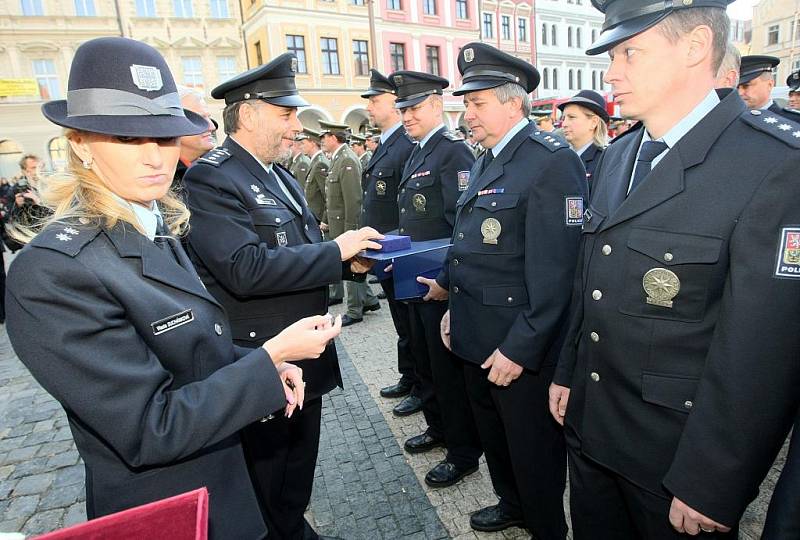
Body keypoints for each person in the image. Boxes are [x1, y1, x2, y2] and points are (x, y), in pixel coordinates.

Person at [5, 36, 342, 540]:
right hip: (171, 508)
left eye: (163, 138)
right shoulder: (54, 270)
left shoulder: (151, 223)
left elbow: (195, 350)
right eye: (126, 140)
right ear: (79, 144)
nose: (153, 157)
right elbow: (149, 428)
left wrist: (265, 364)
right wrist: (266, 359)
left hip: (224, 480)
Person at [548, 1, 800, 538]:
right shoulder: (621, 155)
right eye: (612, 54)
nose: (611, 72)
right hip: (593, 429)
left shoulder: (774, 166)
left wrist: (713, 478)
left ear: (694, 46)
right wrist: (568, 371)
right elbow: (589, 278)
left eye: (629, 52)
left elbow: (762, 350)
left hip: (673, 461)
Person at [182, 53, 382, 540]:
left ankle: (291, 528)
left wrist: (343, 261)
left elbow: (299, 247)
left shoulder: (279, 174)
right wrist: (335, 249)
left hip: (303, 352)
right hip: (261, 356)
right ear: (248, 114)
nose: (297, 125)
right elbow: (244, 269)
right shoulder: (213, 176)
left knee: (296, 474)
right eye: (286, 114)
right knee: (266, 479)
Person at [431, 42, 586, 538]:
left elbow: (559, 272)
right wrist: (453, 303)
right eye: (466, 103)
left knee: (532, 449)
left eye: (476, 104)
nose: (466, 113)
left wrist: (520, 347)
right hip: (476, 335)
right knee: (495, 439)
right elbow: (469, 244)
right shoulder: (486, 159)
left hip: (517, 346)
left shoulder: (549, 161)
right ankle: (511, 504)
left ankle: (544, 527)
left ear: (512, 103)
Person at [390, 69, 483, 488]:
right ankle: (438, 428)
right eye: (402, 109)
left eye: (412, 108)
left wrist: (444, 278)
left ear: (434, 105)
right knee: (427, 366)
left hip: (441, 284)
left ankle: (462, 451)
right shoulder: (417, 151)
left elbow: (459, 225)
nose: (406, 116)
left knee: (448, 374)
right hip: (416, 281)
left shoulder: (452, 152)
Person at [360, 69, 421, 416]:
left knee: (410, 323)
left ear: (394, 104)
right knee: (401, 322)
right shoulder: (387, 142)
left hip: (399, 253)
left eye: (375, 100)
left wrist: (400, 253)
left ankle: (416, 381)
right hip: (384, 252)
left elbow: (407, 207)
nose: (369, 106)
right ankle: (409, 376)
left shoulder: (404, 145)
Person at [319, 120, 380, 326]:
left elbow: (353, 201)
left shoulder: (347, 160)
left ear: (333, 138)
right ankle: (369, 300)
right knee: (354, 268)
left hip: (346, 227)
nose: (322, 141)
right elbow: (332, 199)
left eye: (324, 137)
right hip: (338, 226)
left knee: (352, 264)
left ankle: (355, 310)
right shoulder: (338, 159)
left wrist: (351, 233)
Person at [558, 89, 608, 189]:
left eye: (571, 117)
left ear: (593, 122)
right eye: (563, 118)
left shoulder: (605, 160)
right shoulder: (560, 157)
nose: (564, 124)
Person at [174, 86, 216, 188]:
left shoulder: (213, 167)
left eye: (209, 117)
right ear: (172, 123)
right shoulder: (164, 179)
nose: (212, 127)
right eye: (200, 119)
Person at [738, 55, 800, 121]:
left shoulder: (793, 120)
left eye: (746, 86)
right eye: (737, 87)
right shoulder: (731, 119)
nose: (740, 92)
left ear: (770, 84)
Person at [300, 127, 330, 225]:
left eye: (303, 143)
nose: (301, 146)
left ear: (312, 143)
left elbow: (327, 195)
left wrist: (324, 220)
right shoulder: (315, 161)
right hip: (314, 215)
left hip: (319, 217)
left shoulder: (320, 163)